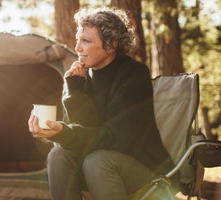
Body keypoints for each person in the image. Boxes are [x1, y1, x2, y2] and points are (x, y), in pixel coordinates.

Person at [28, 7, 178, 200]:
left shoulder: (134, 75)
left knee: (97, 161)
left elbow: (115, 138)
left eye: (86, 41)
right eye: (78, 40)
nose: (77, 48)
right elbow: (83, 129)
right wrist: (74, 89)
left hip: (143, 169)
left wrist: (64, 133)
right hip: (97, 163)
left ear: (111, 45)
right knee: (58, 155)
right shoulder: (81, 77)